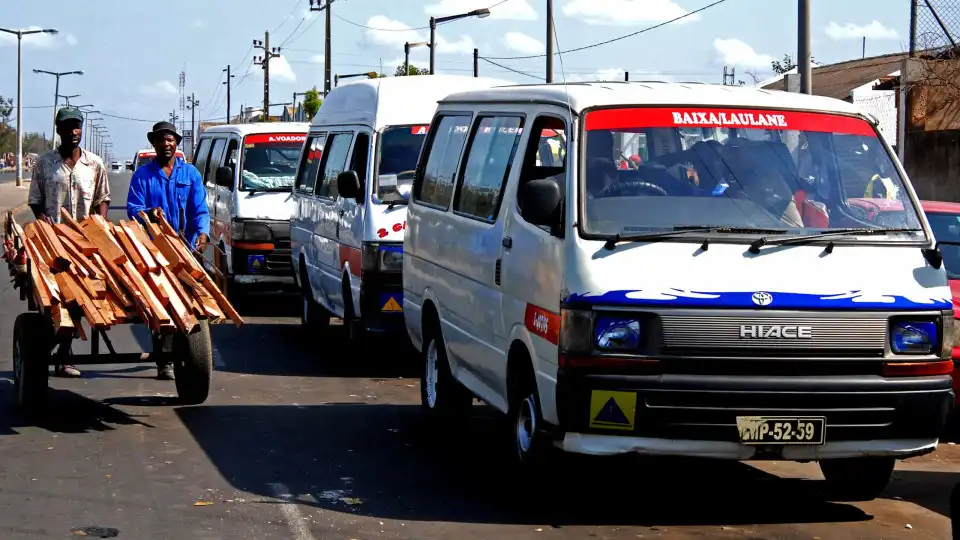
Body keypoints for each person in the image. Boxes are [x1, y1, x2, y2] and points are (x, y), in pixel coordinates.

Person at [28, 107, 111, 378]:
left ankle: (64, 349)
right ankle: (64, 352)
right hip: (53, 243)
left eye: (77, 126)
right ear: (58, 130)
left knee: (85, 292)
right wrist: (44, 227)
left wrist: (99, 227)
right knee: (61, 294)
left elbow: (102, 199)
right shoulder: (44, 163)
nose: (73, 132)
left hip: (86, 243)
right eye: (68, 127)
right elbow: (36, 201)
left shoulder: (95, 164)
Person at [126, 121, 210, 380]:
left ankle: (187, 351)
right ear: (154, 144)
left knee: (189, 302)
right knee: (162, 302)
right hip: (153, 251)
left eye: (170, 140)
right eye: (161, 140)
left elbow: (200, 210)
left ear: (177, 143)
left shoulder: (191, 175)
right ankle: (163, 359)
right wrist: (149, 214)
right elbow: (133, 208)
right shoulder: (143, 175)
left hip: (186, 249)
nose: (166, 144)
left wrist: (203, 234)